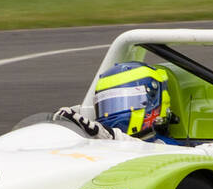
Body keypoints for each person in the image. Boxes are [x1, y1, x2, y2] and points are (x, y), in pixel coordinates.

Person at [55, 61, 185, 144]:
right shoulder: (103, 143)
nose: (113, 113)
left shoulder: (167, 147)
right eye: (108, 104)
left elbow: (143, 149)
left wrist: (108, 135)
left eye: (130, 100)